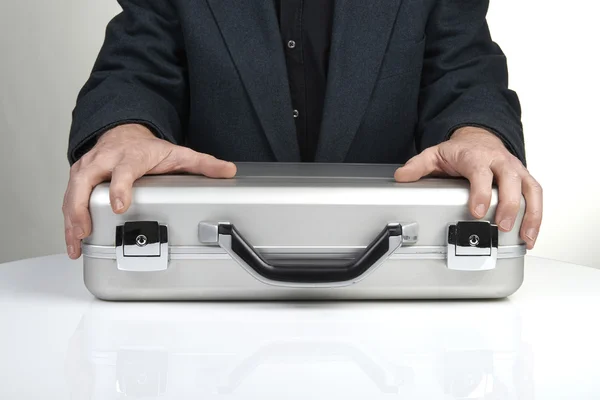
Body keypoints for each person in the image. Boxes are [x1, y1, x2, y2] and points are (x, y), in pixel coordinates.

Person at [63, 0, 543, 259]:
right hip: (207, 297)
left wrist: (478, 135)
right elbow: (138, 61)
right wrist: (124, 131)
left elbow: (462, 66)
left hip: (398, 303)